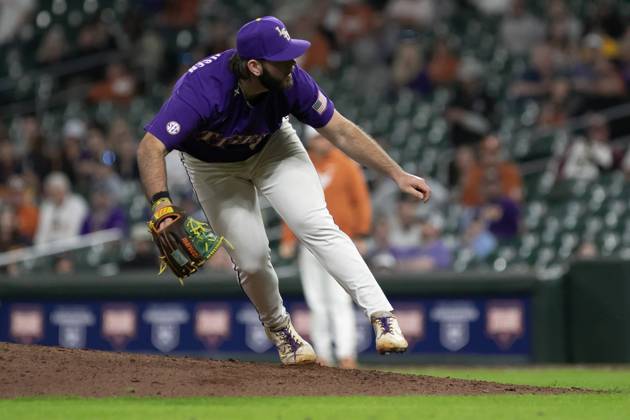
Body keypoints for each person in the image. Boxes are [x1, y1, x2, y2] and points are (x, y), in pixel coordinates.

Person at [137, 16, 431, 365]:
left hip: (273, 148)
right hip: (213, 168)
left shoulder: (293, 83)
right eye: (283, 59)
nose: (293, 63)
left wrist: (395, 173)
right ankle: (283, 333)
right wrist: (161, 205)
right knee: (251, 259)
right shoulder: (203, 88)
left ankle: (383, 316)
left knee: (315, 224)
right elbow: (150, 146)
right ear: (254, 66)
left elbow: (341, 131)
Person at [280, 127, 371, 368]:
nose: (323, 141)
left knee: (339, 299)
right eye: (318, 138)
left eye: (325, 137)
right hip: (309, 243)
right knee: (316, 302)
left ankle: (346, 354)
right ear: (310, 142)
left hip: (340, 240)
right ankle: (322, 354)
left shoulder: (346, 164)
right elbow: (289, 201)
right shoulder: (301, 165)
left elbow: (360, 199)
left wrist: (361, 233)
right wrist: (288, 237)